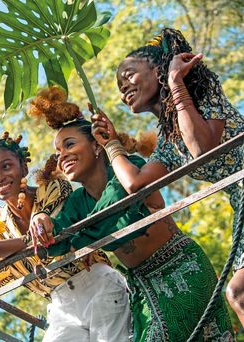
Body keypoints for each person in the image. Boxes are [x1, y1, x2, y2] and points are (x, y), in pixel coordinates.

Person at [28, 86, 234, 341]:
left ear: (96, 146)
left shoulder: (127, 170)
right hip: (141, 284)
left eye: (69, 144)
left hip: (181, 268)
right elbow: (56, 243)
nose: (63, 156)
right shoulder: (77, 203)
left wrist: (76, 237)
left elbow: (113, 209)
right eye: (58, 153)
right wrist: (41, 220)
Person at [90, 26, 244, 326]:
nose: (123, 90)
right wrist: (111, 144)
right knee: (239, 294)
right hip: (240, 202)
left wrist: (175, 82)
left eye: (129, 76)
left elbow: (201, 148)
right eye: (120, 87)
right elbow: (135, 183)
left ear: (158, 68)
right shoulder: (168, 143)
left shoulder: (203, 94)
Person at [0, 131, 131, 342]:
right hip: (60, 306)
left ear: (23, 167)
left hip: (96, 283)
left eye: (6, 166)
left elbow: (41, 240)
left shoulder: (52, 189)